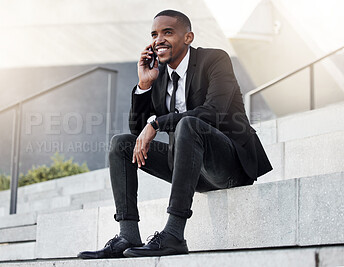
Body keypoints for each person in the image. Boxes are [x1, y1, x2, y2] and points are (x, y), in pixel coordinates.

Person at [78, 9, 272, 259]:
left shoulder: (214, 60)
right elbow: (138, 133)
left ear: (188, 37)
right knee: (121, 145)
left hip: (229, 166)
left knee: (189, 124)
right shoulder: (158, 77)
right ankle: (128, 234)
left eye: (167, 32)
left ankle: (174, 235)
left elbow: (213, 112)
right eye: (154, 34)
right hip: (190, 168)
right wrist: (144, 85)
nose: (159, 39)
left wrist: (157, 123)